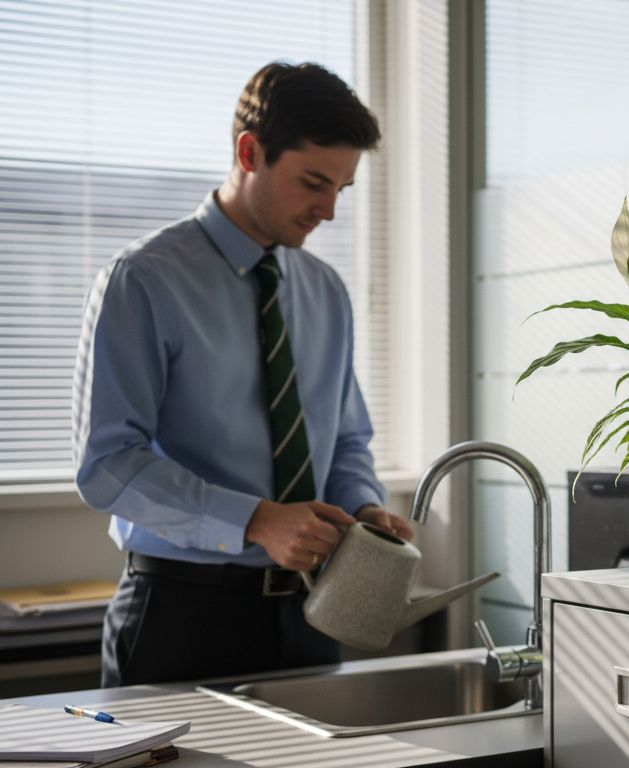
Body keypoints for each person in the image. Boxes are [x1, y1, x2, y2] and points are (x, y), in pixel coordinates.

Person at [72, 62, 413, 687]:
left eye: (342, 189)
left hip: (312, 611)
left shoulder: (326, 292)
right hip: (180, 615)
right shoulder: (143, 281)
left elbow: (345, 440)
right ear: (250, 151)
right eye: (314, 183)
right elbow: (107, 465)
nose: (329, 212)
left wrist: (361, 506)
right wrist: (255, 520)